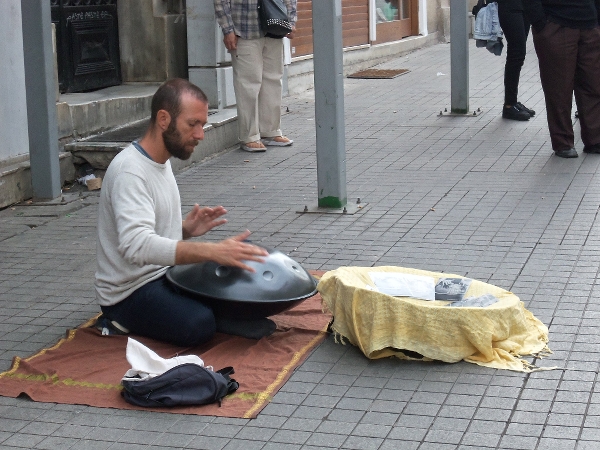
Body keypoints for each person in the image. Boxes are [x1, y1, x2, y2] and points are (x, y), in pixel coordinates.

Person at [94, 78, 269, 347]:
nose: (200, 134)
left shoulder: (159, 162)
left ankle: (222, 315)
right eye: (192, 124)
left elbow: (152, 236)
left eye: (203, 124)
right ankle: (119, 322)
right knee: (198, 325)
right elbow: (136, 246)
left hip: (164, 274)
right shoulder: (130, 172)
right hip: (129, 293)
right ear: (163, 119)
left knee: (241, 265)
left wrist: (185, 230)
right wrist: (210, 251)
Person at [214, 0, 297, 152]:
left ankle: (271, 131)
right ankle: (249, 136)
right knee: (248, 85)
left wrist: (290, 20)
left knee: (273, 81)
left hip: (275, 26)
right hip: (245, 28)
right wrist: (228, 30)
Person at [524, 0, 600, 158]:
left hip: (590, 24)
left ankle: (595, 139)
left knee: (593, 85)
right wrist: (540, 22)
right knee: (559, 88)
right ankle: (563, 142)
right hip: (555, 23)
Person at [497, 0, 535, 121]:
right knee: (516, 53)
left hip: (525, 5)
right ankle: (509, 105)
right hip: (509, 6)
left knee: (519, 54)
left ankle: (512, 102)